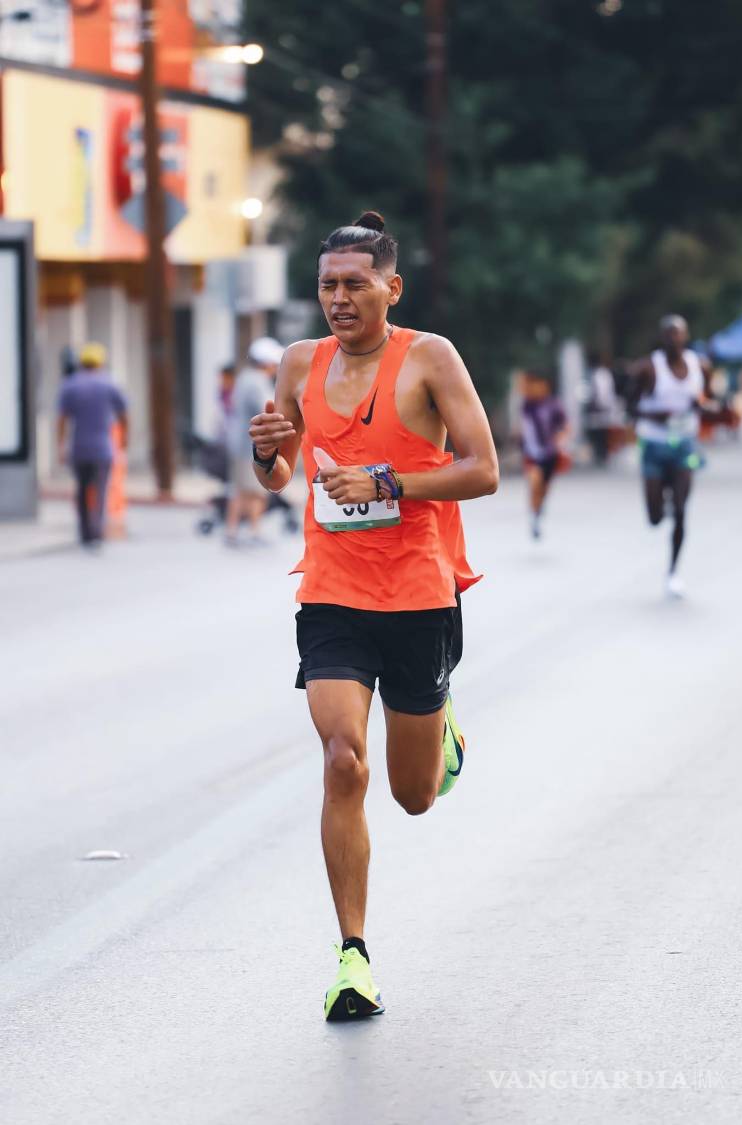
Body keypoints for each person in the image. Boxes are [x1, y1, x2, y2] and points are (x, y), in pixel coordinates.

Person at [249, 211, 499, 1021]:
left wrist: (387, 481)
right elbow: (279, 474)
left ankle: (441, 727)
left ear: (393, 288)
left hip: (419, 591)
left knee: (414, 795)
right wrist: (266, 449)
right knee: (342, 759)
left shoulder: (430, 358)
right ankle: (352, 956)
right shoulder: (299, 362)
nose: (339, 298)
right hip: (332, 591)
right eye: (328, 285)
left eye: (356, 284)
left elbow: (483, 469)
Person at [626, 315, 713, 598]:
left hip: (684, 446)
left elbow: (706, 398)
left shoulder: (700, 366)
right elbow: (630, 407)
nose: (674, 339)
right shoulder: (648, 368)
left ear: (686, 336)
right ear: (662, 338)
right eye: (669, 334)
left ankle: (673, 572)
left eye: (679, 334)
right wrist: (655, 415)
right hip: (653, 444)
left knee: (681, 509)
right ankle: (661, 500)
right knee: (655, 517)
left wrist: (702, 405)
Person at [57, 342, 128, 548]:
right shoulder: (109, 384)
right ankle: (96, 531)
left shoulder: (70, 385)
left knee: (81, 490)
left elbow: (62, 419)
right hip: (102, 448)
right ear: (100, 363)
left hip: (79, 448)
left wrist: (61, 445)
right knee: (100, 491)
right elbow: (124, 415)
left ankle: (85, 532)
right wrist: (125, 439)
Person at [225, 338, 284, 546]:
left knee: (240, 489)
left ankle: (234, 530)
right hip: (251, 446)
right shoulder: (257, 382)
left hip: (240, 443)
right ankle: (252, 531)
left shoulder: (245, 378)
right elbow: (268, 410)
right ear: (266, 363)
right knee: (257, 491)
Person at [519, 370, 569, 539]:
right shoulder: (527, 405)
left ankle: (538, 511)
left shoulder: (553, 405)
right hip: (532, 454)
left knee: (544, 489)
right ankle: (533, 517)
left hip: (550, 454)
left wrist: (559, 440)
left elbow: (565, 426)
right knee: (535, 483)